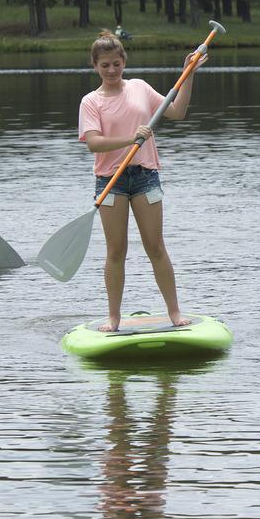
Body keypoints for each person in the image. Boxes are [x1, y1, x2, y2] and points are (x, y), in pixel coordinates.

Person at [80, 30, 204, 332]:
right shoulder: (90, 101)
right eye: (105, 65)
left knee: (156, 246)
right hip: (111, 181)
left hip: (145, 175)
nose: (111, 70)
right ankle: (114, 317)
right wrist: (130, 137)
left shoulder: (139, 87)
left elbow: (177, 112)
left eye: (116, 64)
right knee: (116, 251)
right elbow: (94, 143)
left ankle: (175, 313)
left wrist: (188, 76)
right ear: (95, 66)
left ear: (124, 62)